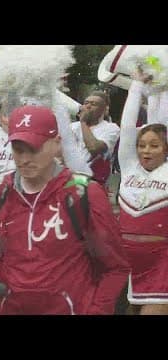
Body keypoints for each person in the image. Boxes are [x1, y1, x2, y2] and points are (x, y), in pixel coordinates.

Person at [0, 105, 130, 315]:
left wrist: (98, 310)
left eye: (34, 148)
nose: (25, 158)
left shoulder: (84, 194)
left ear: (57, 143)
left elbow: (115, 267)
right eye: (18, 149)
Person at [117, 69, 168, 315]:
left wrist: (162, 84)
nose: (146, 151)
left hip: (162, 260)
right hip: (127, 261)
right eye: (142, 145)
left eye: (155, 146)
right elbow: (127, 127)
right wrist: (136, 85)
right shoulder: (129, 167)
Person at [71, 91, 120, 186]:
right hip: (69, 178)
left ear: (104, 110)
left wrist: (83, 122)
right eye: (86, 103)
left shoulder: (111, 128)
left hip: (92, 182)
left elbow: (94, 148)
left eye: (94, 104)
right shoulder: (72, 127)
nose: (88, 106)